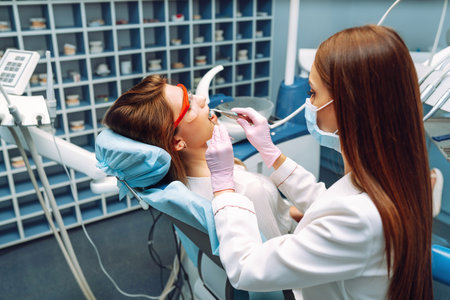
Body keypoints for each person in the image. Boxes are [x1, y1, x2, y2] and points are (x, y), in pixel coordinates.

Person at [205, 25, 433, 300]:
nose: (309, 104)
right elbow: (329, 203)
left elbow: (247, 269)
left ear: (348, 104)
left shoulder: (361, 219)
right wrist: (270, 153)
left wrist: (223, 188)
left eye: (312, 93)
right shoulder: (392, 176)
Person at [101, 75, 298, 296]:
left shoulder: (177, 190)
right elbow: (276, 269)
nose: (203, 100)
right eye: (189, 105)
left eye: (190, 93)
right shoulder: (249, 190)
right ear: (177, 142)